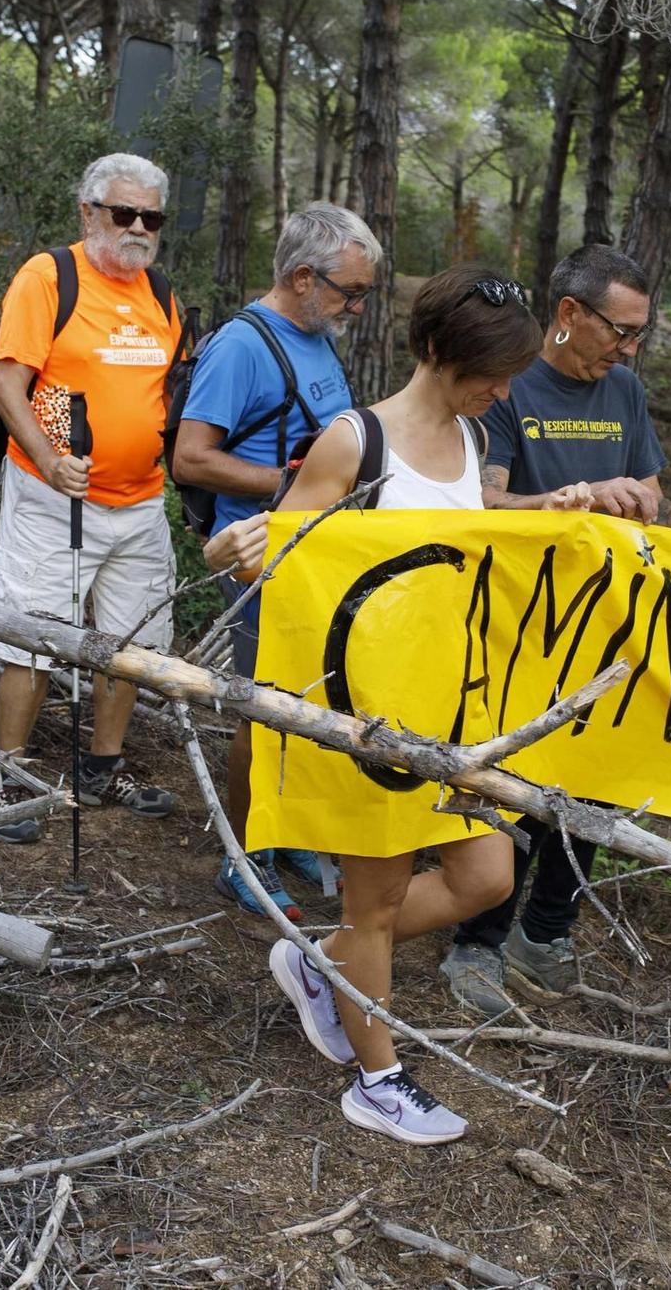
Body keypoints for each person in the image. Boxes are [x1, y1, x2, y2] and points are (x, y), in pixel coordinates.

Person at [208, 266, 588, 1144]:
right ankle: (376, 1080)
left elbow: (469, 536)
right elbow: (286, 557)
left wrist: (544, 512)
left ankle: (325, 964)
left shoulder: (469, 435)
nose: (502, 390)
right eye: (486, 373)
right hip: (364, 716)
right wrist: (237, 549)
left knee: (486, 874)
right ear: (431, 353)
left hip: (449, 711)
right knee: (374, 904)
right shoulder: (355, 441)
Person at [439, 244, 671, 1013]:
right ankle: (477, 943)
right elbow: (480, 505)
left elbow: (647, 505)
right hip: (518, 629)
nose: (629, 346)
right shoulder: (506, 388)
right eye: (620, 328)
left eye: (640, 333)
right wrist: (575, 494)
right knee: (514, 783)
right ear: (569, 315)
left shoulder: (624, 393)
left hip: (612, 631)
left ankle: (544, 933)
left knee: (599, 785)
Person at [173, 201, 381, 919]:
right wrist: (292, 485)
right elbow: (190, 458)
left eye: (363, 293)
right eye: (349, 292)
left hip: (323, 559)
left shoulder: (317, 333)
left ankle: (285, 829)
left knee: (309, 701)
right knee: (260, 709)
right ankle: (244, 855)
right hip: (261, 559)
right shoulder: (241, 346)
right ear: (301, 278)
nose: (356, 307)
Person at [0, 152, 180, 837]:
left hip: (140, 502)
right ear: (88, 212)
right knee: (32, 633)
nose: (139, 228)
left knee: (133, 641)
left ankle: (102, 767)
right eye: (125, 213)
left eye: (152, 217)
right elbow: (11, 384)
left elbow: (158, 394)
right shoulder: (49, 277)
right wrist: (52, 458)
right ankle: (13, 775)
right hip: (52, 495)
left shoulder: (163, 295)